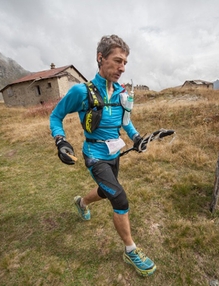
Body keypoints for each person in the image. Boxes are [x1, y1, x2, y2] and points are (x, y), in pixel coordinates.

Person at [49, 35, 156, 276]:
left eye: (125, 63)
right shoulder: (81, 91)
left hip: (114, 153)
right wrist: (61, 140)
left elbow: (126, 123)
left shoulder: (122, 93)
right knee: (119, 197)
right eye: (117, 60)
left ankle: (82, 202)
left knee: (106, 191)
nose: (122, 67)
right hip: (94, 155)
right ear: (100, 58)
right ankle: (130, 251)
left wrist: (137, 138)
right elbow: (55, 116)